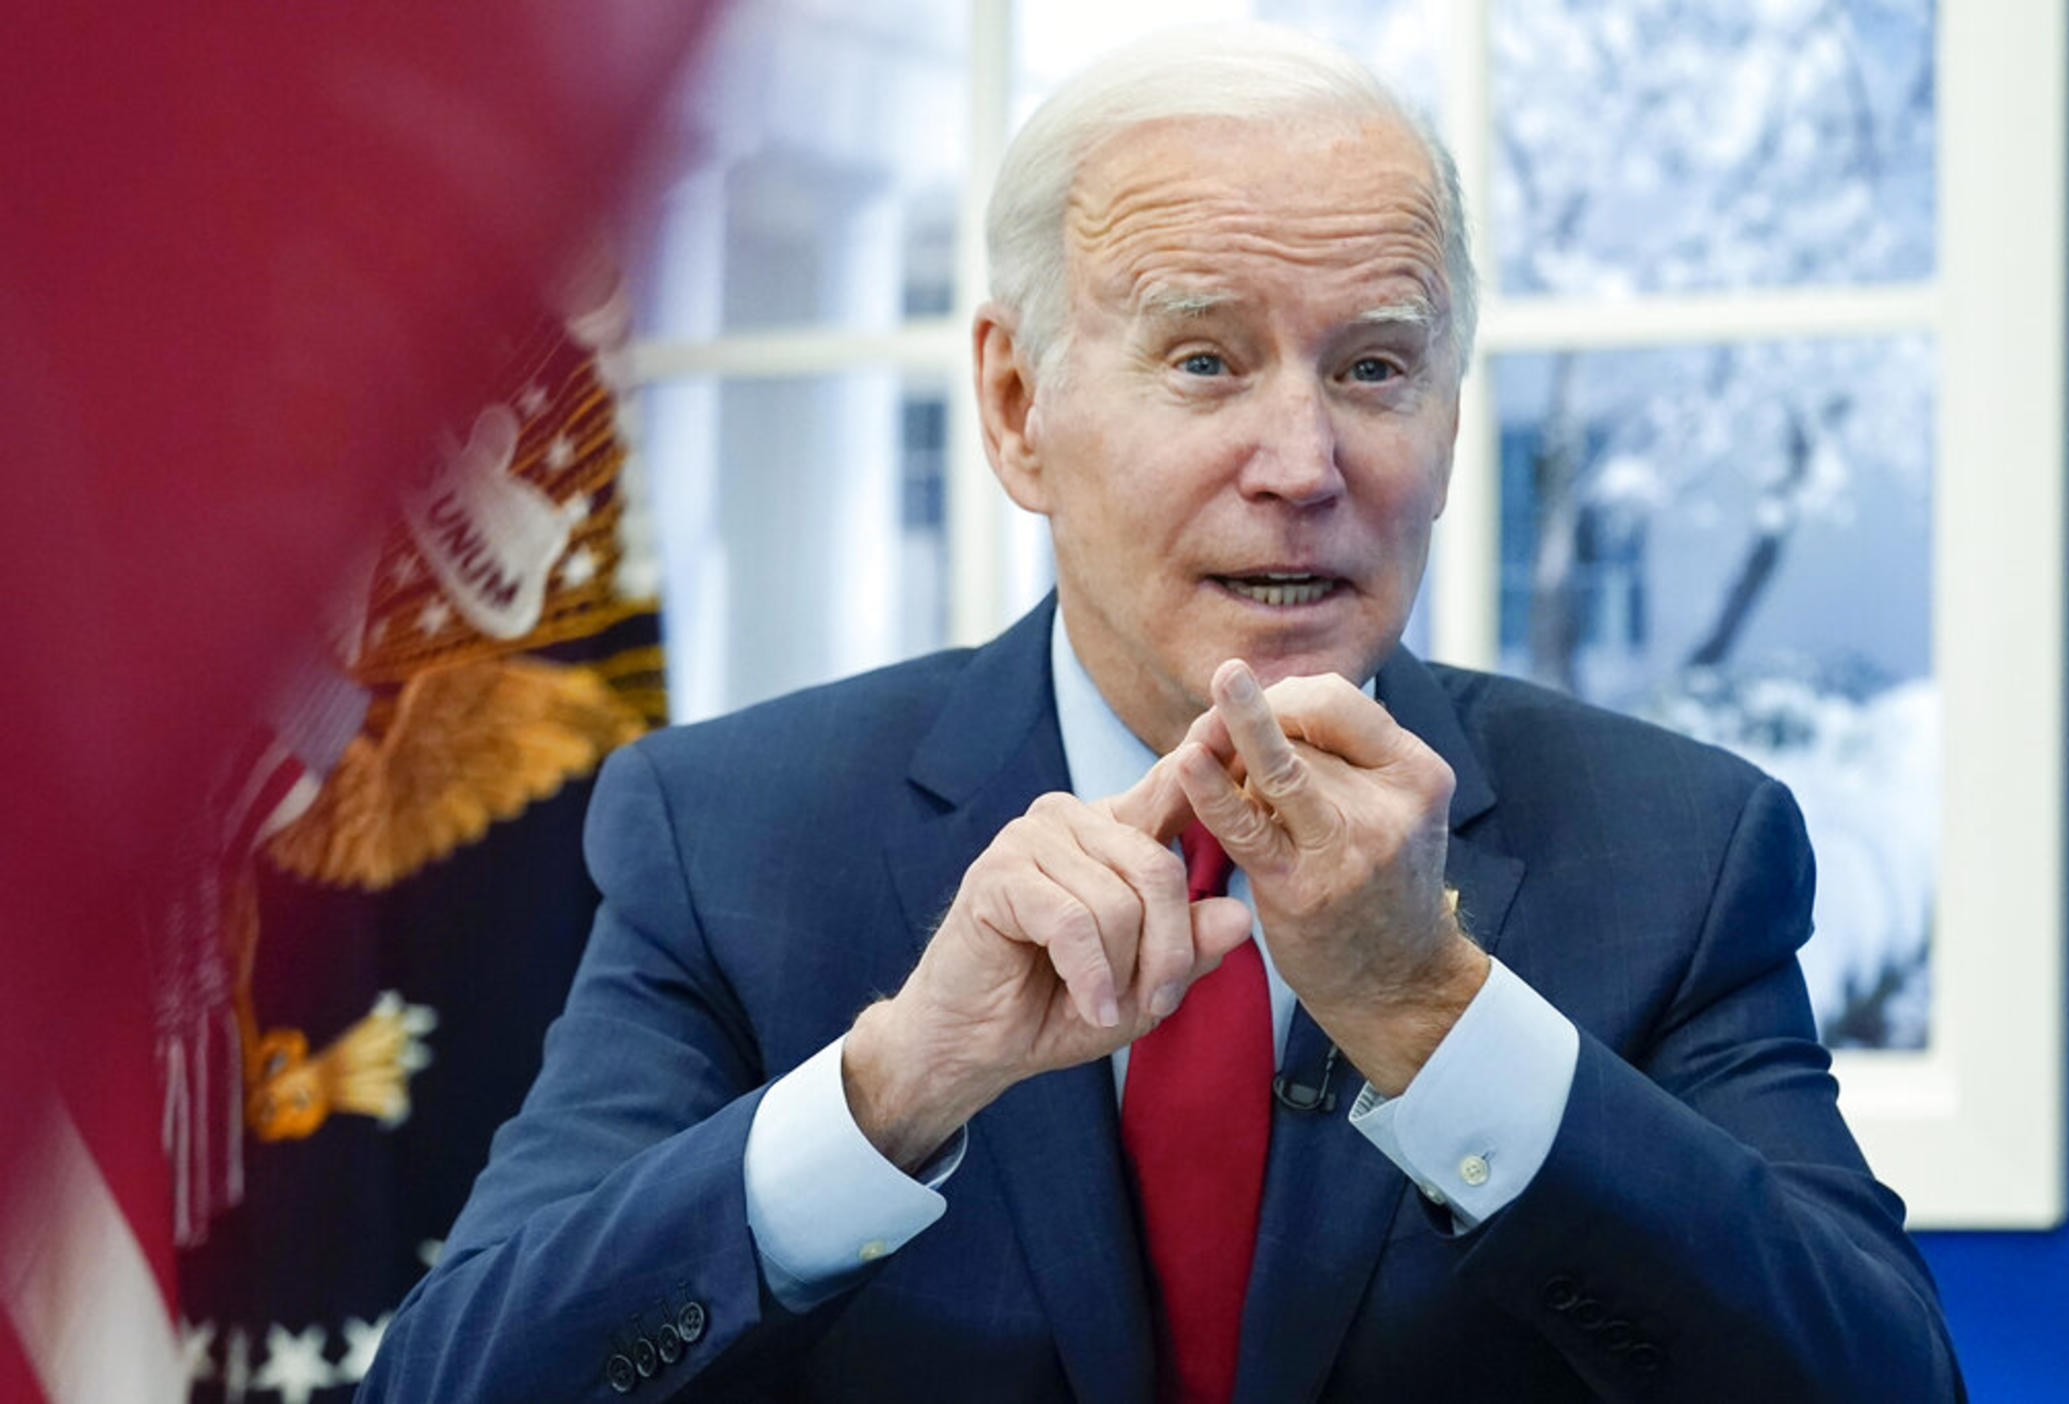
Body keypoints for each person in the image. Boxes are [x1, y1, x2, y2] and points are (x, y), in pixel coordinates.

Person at [360, 26, 1960, 1403]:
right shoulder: (729, 838)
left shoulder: (1675, 848)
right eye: (1203, 360)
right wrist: (895, 1090)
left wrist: (1435, 1018)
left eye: (1376, 368)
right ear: (1012, 407)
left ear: (1452, 415)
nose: (1302, 463)